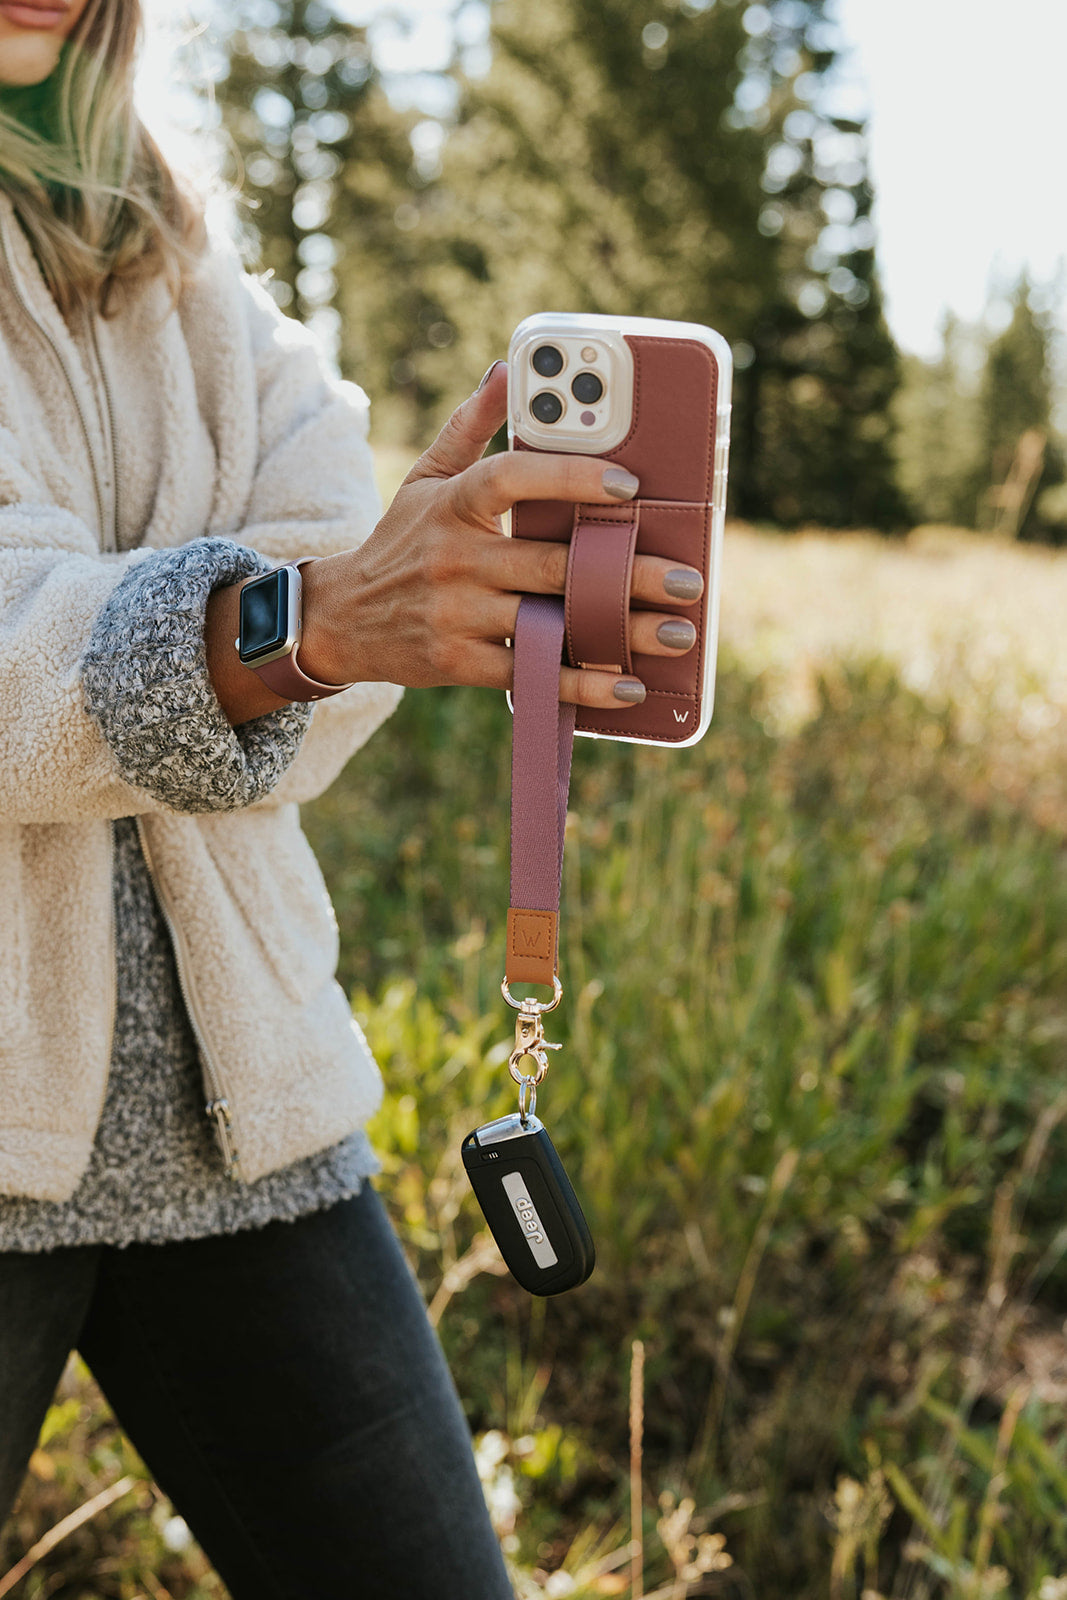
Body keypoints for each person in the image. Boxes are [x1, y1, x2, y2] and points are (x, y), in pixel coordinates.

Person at [0, 1, 704, 1595]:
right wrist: (294, 624)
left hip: (250, 1122)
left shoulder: (174, 236)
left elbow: (333, 596)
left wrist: (359, 610)